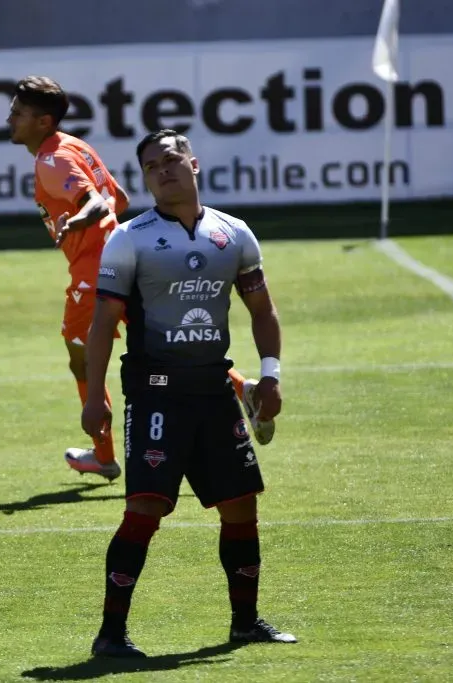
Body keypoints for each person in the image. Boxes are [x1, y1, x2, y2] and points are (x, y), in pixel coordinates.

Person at [81, 129, 297, 657]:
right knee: (146, 509)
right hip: (156, 397)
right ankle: (110, 636)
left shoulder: (234, 233)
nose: (162, 171)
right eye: (151, 166)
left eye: (171, 159)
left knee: (241, 507)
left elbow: (262, 311)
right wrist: (93, 398)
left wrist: (269, 375)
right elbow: (103, 320)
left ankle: (245, 624)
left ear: (193, 164)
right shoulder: (130, 238)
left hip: (214, 395)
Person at [9, 77, 273, 483]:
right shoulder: (73, 146)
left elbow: (97, 203)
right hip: (127, 261)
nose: (10, 118)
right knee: (166, 345)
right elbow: (120, 199)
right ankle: (243, 389)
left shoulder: (51, 161)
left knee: (81, 358)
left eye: (19, 113)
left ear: (43, 121)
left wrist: (75, 224)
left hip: (96, 274)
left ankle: (104, 456)